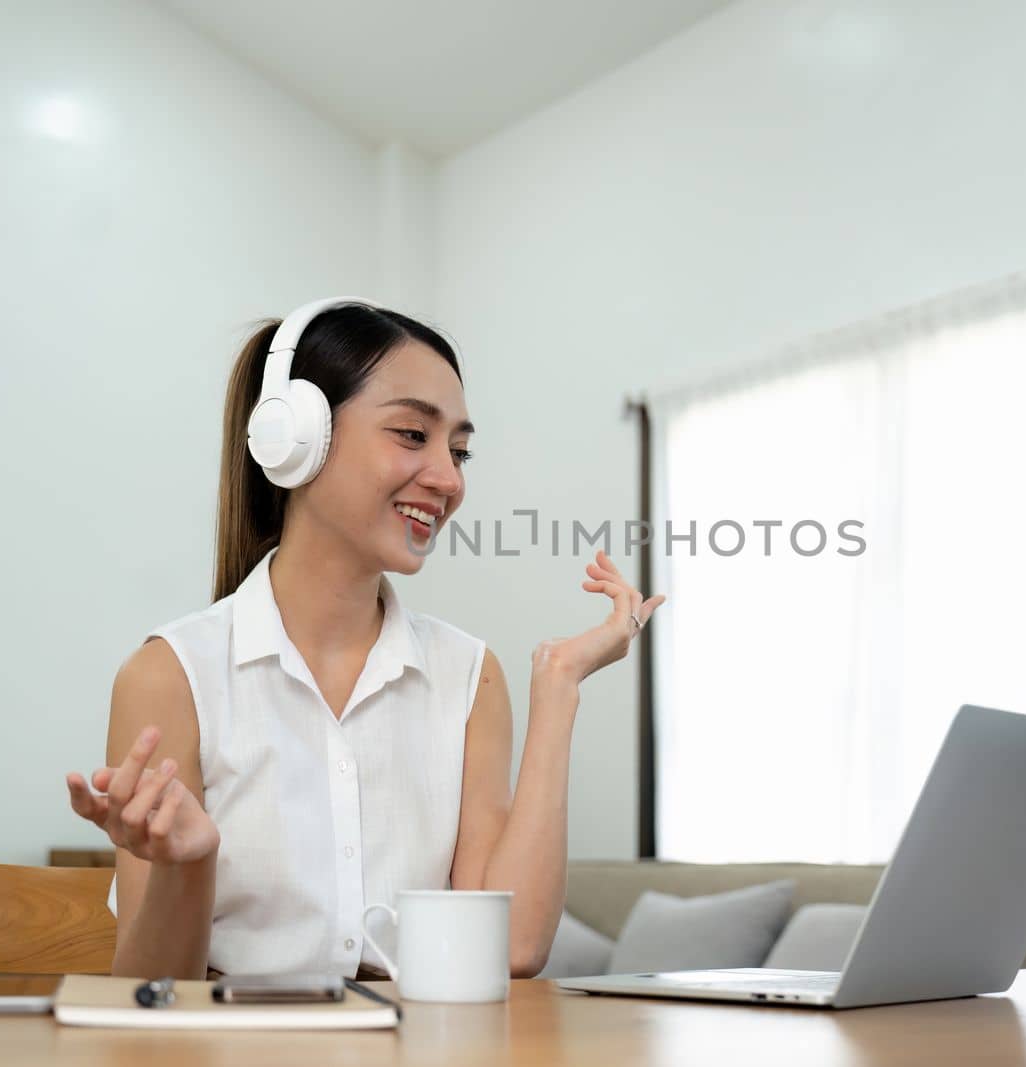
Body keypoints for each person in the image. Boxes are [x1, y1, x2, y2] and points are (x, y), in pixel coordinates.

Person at [65, 298, 663, 980]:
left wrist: (559, 686)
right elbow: (151, 996)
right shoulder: (170, 677)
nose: (448, 477)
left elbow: (514, 949)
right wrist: (188, 866)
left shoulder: (468, 675)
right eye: (413, 434)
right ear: (295, 438)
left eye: (459, 450)